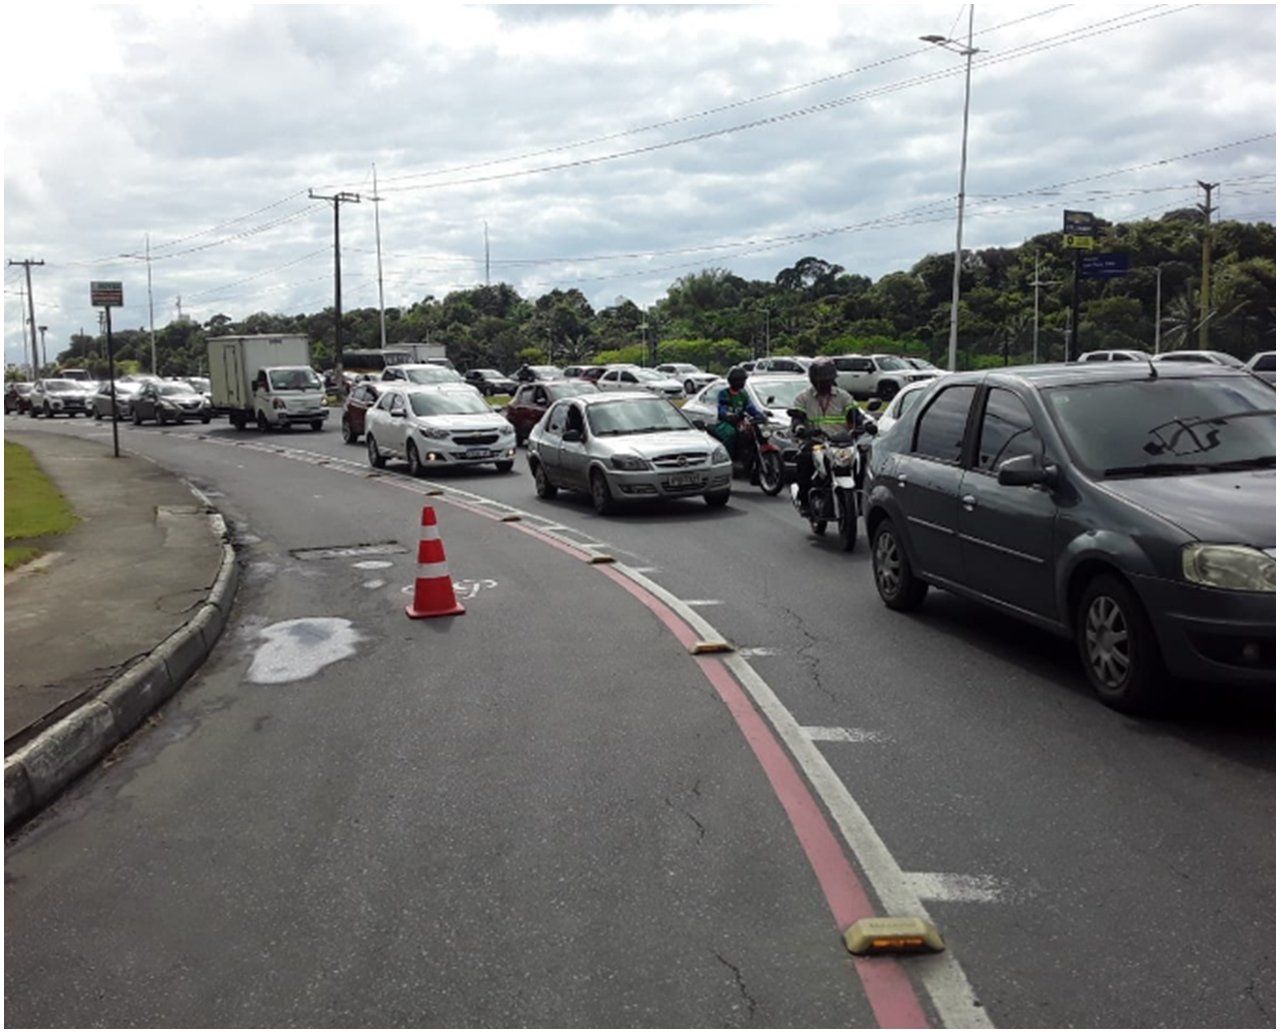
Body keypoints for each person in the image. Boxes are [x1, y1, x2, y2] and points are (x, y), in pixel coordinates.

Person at [791, 356, 869, 515]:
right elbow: (796, 418)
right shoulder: (803, 398)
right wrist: (799, 428)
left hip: (842, 443)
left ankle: (862, 498)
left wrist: (866, 424)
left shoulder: (843, 396)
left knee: (864, 458)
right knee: (804, 459)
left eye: (827, 379)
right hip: (815, 442)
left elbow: (855, 414)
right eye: (821, 380)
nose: (824, 383)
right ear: (813, 380)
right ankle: (804, 499)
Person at [713, 367, 766, 477]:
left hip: (740, 422)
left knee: (751, 433)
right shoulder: (724, 393)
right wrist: (729, 414)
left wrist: (760, 415)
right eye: (740, 380)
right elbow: (722, 408)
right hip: (726, 423)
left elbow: (751, 408)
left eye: (743, 380)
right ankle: (728, 460)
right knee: (731, 434)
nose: (742, 383)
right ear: (733, 381)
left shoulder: (743, 394)